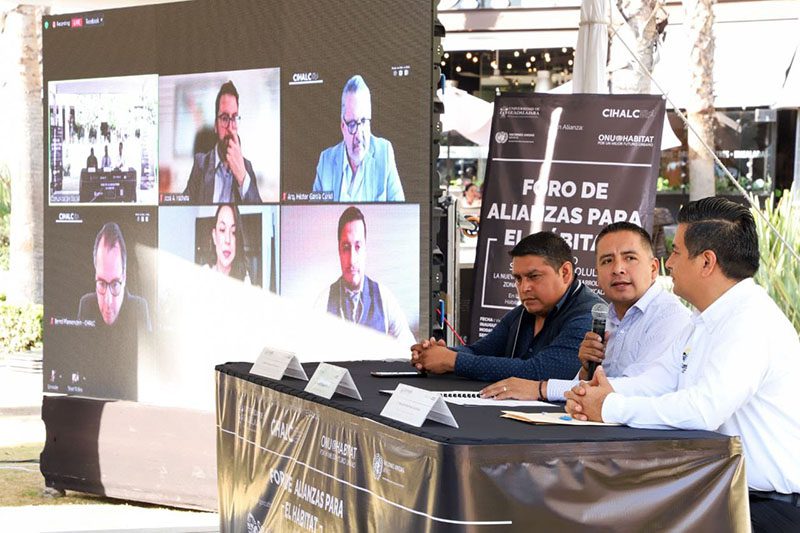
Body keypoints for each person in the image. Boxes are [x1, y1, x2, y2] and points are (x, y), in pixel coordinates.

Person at [564, 198, 800, 532]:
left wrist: (609, 406)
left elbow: (703, 409)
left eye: (676, 251)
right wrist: (594, 393)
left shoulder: (751, 321)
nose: (669, 262)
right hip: (725, 493)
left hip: (767, 510)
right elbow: (659, 380)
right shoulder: (702, 318)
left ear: (706, 262)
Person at [480, 222, 690, 401]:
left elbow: (641, 388)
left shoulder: (670, 317)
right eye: (607, 261)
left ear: (653, 269)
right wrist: (585, 370)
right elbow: (593, 386)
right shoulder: (605, 318)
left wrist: (541, 389)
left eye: (629, 258)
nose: (618, 269)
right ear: (597, 274)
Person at [411, 231, 604, 381]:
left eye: (534, 276)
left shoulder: (590, 316)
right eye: (518, 279)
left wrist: (452, 361)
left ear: (565, 272)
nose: (524, 287)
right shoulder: (524, 312)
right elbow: (479, 351)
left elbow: (540, 371)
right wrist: (437, 354)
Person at [315, 206, 414, 345]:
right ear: (339, 251)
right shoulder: (323, 302)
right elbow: (309, 351)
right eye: (346, 248)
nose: (352, 259)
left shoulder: (384, 298)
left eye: (358, 247)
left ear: (365, 249)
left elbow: (410, 348)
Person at [312, 75, 404, 202]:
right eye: (352, 124)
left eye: (364, 121)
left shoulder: (384, 153)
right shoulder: (326, 161)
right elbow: (314, 211)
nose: (359, 136)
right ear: (343, 127)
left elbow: (399, 209)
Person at [183, 81, 261, 204]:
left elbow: (259, 209)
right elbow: (183, 206)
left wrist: (242, 177)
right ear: (216, 125)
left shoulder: (246, 167)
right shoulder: (200, 164)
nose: (230, 127)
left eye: (234, 118)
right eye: (224, 118)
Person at [78, 222, 151, 331]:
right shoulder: (86, 306)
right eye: (101, 283)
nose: (108, 301)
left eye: (115, 284)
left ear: (124, 278)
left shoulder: (139, 310)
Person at [208, 203, 251, 283]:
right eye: (222, 229)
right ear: (214, 236)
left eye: (233, 232)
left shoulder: (245, 282)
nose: (228, 240)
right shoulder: (203, 277)